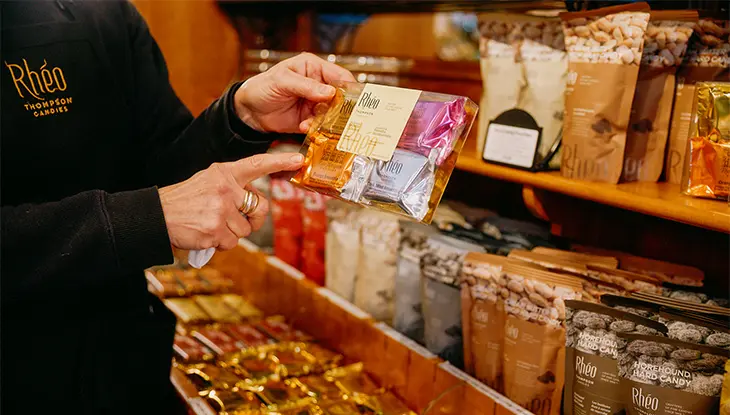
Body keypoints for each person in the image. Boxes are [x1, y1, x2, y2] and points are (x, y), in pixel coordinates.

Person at [1, 1, 355, 414]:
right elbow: (157, 207)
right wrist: (147, 217)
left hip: (119, 361)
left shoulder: (105, 14)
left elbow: (164, 173)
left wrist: (240, 116)